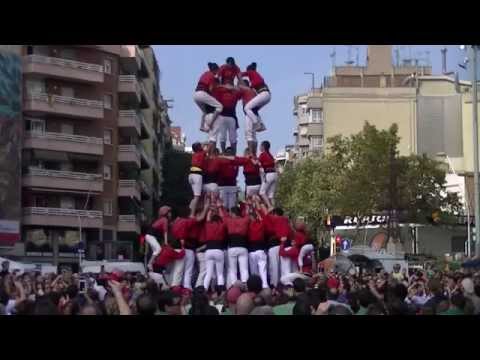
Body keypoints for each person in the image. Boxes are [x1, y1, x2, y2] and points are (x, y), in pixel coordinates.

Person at [219, 204, 250, 288]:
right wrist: (248, 205)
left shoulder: (229, 220)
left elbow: (222, 216)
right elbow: (248, 214)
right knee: (244, 269)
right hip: (243, 247)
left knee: (233, 270)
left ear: (233, 213)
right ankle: (246, 285)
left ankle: (234, 286)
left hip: (232, 248)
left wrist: (220, 207)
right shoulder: (245, 220)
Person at [203, 205, 228, 293]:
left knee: (208, 273)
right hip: (218, 250)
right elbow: (224, 219)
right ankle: (220, 292)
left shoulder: (208, 225)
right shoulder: (221, 226)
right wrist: (219, 208)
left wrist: (210, 209)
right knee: (220, 274)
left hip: (208, 250)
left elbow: (207, 218)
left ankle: (204, 291)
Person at [211, 84, 241, 155]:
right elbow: (214, 88)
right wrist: (229, 87)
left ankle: (229, 153)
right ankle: (228, 153)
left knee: (228, 137)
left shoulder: (231, 92)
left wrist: (224, 86)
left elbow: (214, 88)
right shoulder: (224, 92)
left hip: (228, 116)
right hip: (226, 116)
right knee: (226, 137)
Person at [193, 62, 223, 132]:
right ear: (215, 70)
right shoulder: (212, 76)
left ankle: (202, 126)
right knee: (220, 107)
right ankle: (210, 124)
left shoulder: (205, 73)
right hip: (202, 94)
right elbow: (210, 89)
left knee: (204, 111)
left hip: (196, 95)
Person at [241, 62, 270, 132]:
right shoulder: (256, 76)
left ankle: (256, 123)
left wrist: (235, 74)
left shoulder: (252, 72)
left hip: (263, 94)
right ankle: (261, 125)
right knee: (253, 110)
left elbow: (242, 74)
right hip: (266, 95)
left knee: (246, 108)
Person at [247, 202, 269, 289]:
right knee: (263, 271)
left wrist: (249, 207)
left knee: (254, 272)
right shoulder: (261, 224)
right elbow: (262, 219)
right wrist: (257, 212)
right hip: (260, 250)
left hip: (251, 251)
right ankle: (265, 286)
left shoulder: (248, 226)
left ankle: (254, 288)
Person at [238, 80, 262, 154]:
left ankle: (251, 153)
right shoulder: (253, 91)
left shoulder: (245, 90)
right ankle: (254, 154)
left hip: (249, 115)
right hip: (255, 114)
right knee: (253, 135)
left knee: (249, 135)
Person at [189, 142, 207, 217]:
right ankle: (192, 214)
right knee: (197, 196)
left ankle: (191, 209)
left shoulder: (194, 154)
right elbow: (208, 148)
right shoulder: (201, 153)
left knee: (195, 196)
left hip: (191, 174)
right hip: (197, 174)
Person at [258, 141, 277, 209]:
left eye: (260, 146)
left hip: (269, 174)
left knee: (262, 192)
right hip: (275, 174)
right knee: (271, 195)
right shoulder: (270, 155)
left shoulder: (263, 154)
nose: (259, 147)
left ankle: (270, 206)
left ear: (263, 147)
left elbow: (257, 163)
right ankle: (274, 209)